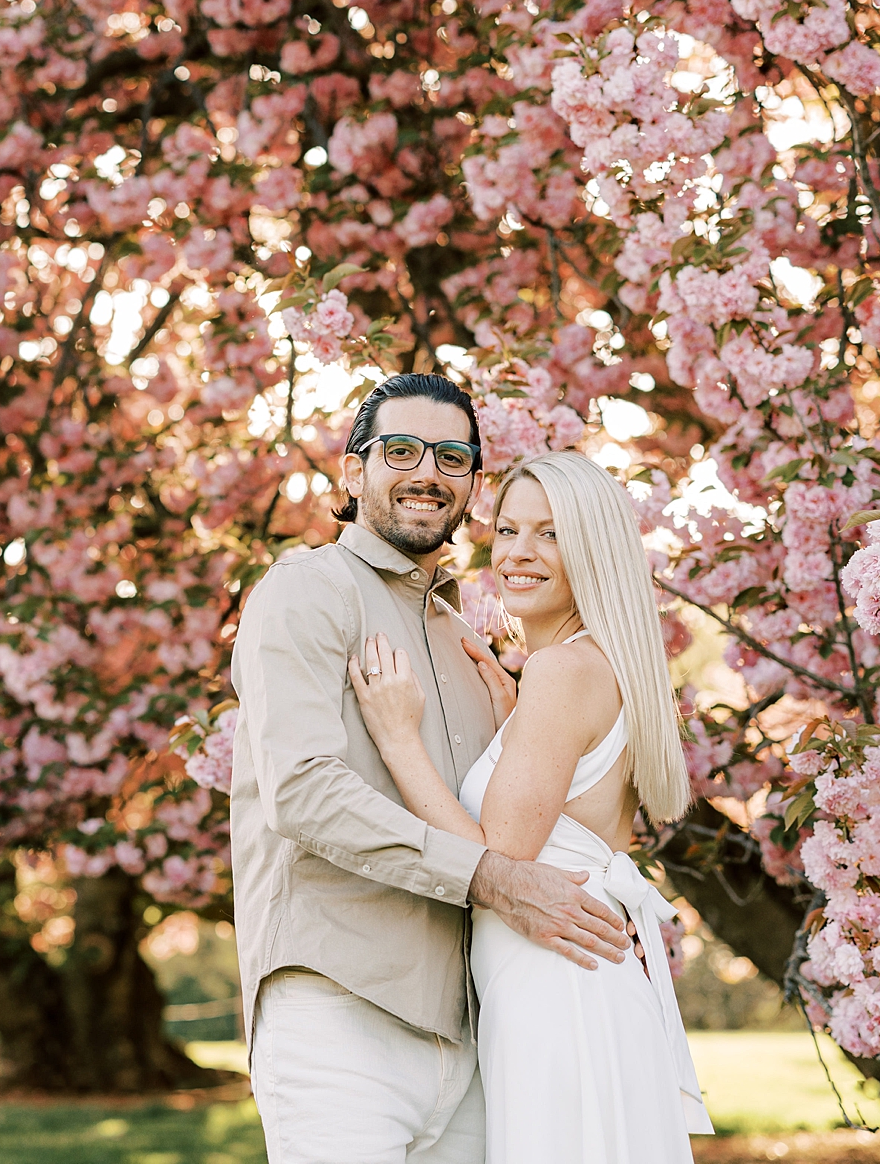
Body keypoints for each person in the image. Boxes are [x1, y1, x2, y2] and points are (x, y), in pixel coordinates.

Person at [230, 374, 636, 1164]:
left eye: (452, 458)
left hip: (477, 1029)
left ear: (473, 486)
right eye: (402, 451)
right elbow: (304, 792)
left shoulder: (467, 632)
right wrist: (494, 878)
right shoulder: (310, 591)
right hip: (341, 1004)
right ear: (354, 472)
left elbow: (522, 819)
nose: (428, 473)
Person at [350, 448, 716, 1162]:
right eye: (509, 529)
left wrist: (398, 740)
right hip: (563, 982)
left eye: (549, 533)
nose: (518, 552)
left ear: (593, 549)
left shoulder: (564, 669)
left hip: (561, 992)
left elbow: (497, 859)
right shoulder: (582, 668)